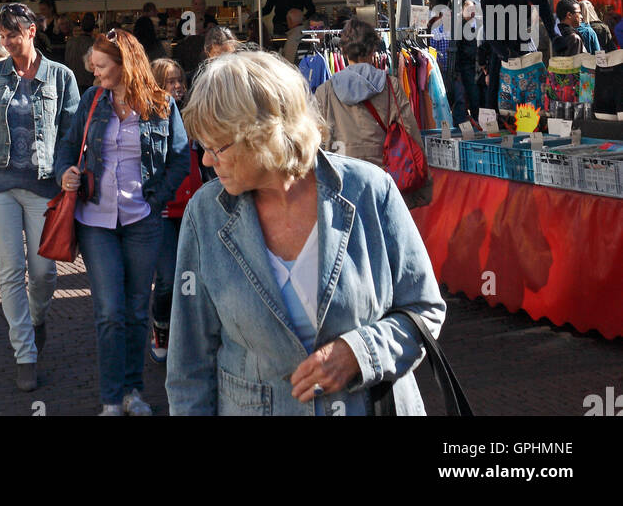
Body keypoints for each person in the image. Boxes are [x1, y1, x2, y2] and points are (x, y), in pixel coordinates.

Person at [166, 50, 446, 416]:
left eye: (217, 146)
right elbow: (189, 365)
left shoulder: (369, 191)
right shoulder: (206, 214)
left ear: (265, 135)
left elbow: (424, 309)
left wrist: (360, 354)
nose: (206, 160)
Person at [55, 29, 190, 416]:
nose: (95, 74)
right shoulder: (91, 100)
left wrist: (157, 198)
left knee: (134, 310)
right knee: (109, 311)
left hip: (142, 219)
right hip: (95, 220)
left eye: (101, 67)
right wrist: (65, 171)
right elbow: (67, 146)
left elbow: (180, 158)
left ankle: (133, 391)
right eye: (93, 68)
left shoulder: (161, 105)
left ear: (124, 64)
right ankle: (112, 398)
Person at [0, 2, 80, 391]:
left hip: (45, 186)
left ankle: (37, 319)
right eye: (2, 35)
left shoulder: (61, 76)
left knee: (44, 272)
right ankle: (24, 353)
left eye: (14, 34)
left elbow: (72, 134)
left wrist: (68, 173)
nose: (7, 41)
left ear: (31, 31)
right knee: (10, 269)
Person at [315, 20, 432, 210]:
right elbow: (409, 131)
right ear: (373, 49)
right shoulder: (390, 86)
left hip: (341, 181)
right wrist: (423, 188)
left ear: (344, 51)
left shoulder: (325, 91)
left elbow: (316, 141)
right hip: (384, 179)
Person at [148, 57, 201, 365]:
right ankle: (162, 330)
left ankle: (192, 335)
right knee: (167, 277)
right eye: (170, 81)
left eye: (180, 80)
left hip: (194, 207)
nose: (178, 86)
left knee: (194, 276)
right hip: (166, 210)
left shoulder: (195, 115)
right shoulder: (150, 118)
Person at [64, 12, 98, 92]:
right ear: (94, 27)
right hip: (89, 84)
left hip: (72, 83)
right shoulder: (95, 44)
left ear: (81, 25)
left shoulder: (70, 42)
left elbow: (67, 62)